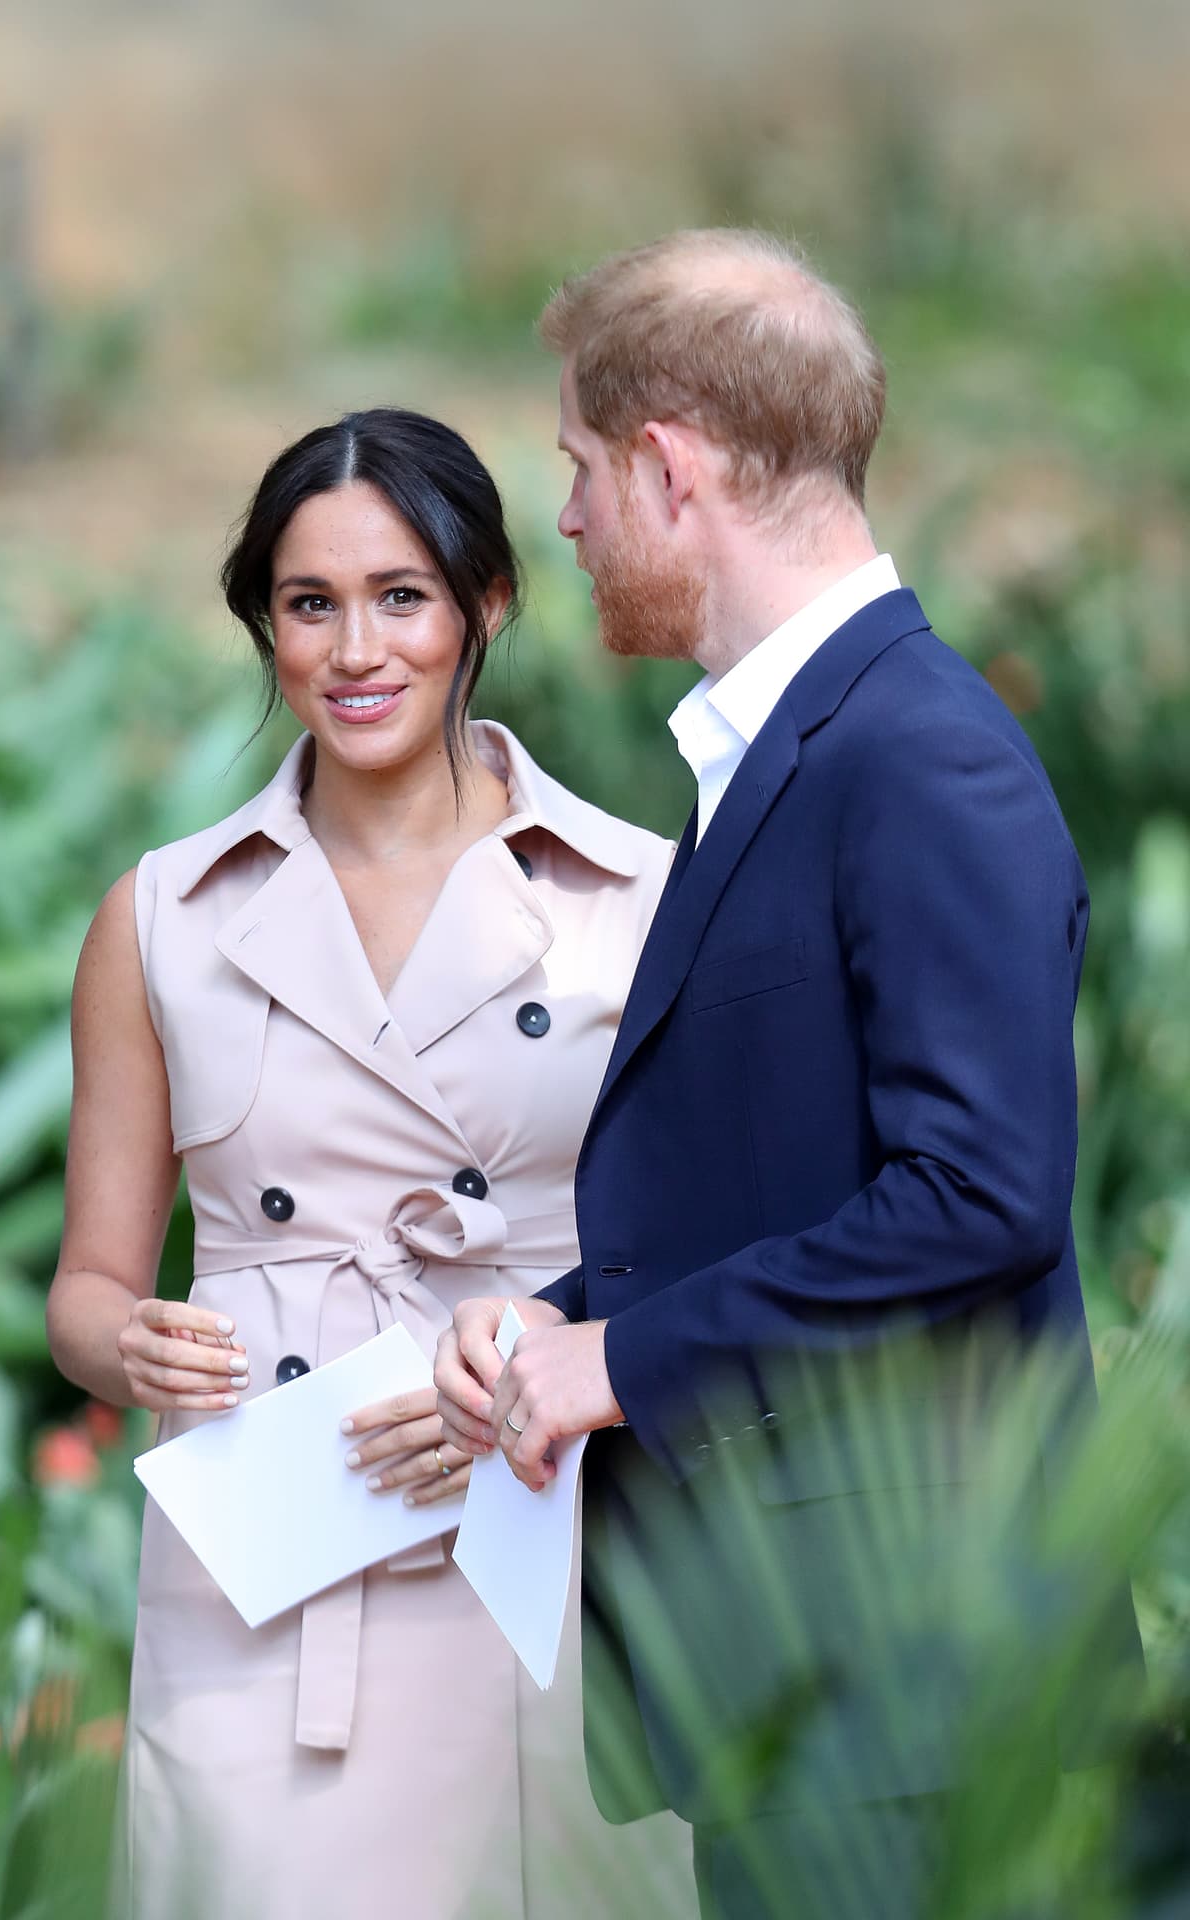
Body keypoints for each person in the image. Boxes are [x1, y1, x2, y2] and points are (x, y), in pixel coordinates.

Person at [436, 231, 1141, 1919]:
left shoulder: (921, 754)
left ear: (671, 467)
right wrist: (557, 1310)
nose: (573, 522)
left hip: (916, 1687)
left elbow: (982, 1198)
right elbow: (791, 1168)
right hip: (816, 1683)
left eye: (582, 471)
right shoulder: (790, 752)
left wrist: (627, 1359)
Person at [46, 408, 694, 1920]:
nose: (355, 650)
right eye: (307, 603)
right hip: (273, 1563)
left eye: (401, 596)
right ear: (262, 625)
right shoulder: (162, 920)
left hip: (550, 1527)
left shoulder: (639, 896)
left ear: (488, 604)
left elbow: (710, 1256)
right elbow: (85, 1289)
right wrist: (131, 1343)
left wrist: (546, 1356)